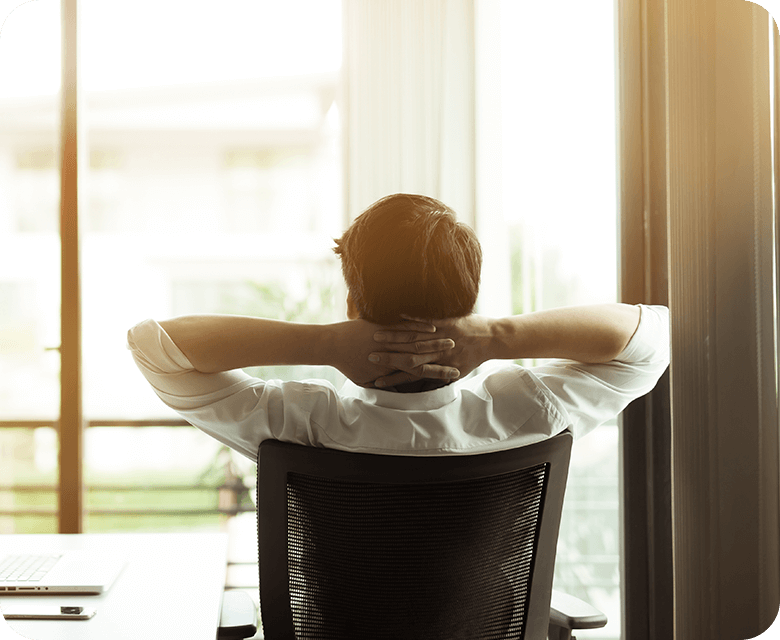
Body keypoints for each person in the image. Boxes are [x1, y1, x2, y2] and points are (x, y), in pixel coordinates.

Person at [127, 193, 669, 461]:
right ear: (469, 301)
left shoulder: (297, 425)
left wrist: (324, 343)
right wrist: (493, 337)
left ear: (350, 300)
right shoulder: (526, 413)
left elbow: (155, 346)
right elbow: (650, 337)